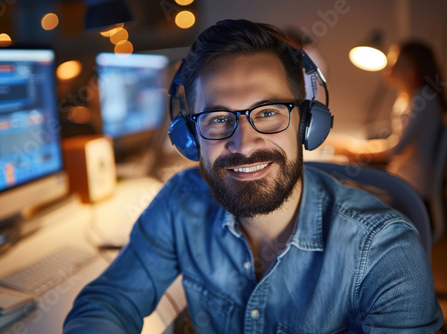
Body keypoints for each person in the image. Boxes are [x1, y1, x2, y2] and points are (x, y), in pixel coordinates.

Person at [63, 20, 443, 333]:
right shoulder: (181, 201)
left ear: (306, 124)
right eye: (217, 118)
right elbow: (109, 302)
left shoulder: (384, 250)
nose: (243, 144)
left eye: (267, 112)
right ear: (190, 138)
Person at [328, 41, 446, 199]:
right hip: (399, 178)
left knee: (339, 185)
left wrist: (353, 149)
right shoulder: (406, 99)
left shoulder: (423, 100)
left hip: (411, 187)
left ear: (412, 69)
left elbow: (394, 150)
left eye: (395, 62)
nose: (389, 67)